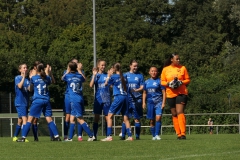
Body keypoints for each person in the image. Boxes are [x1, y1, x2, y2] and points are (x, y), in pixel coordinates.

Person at [17, 63, 61, 142]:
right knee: (49, 119)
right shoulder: (47, 78)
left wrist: (31, 78)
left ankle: (23, 137)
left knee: (30, 119)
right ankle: (57, 136)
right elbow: (52, 81)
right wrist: (49, 72)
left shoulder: (34, 78)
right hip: (46, 100)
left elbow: (30, 89)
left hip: (37, 100)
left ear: (36, 69)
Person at [62, 61, 95, 141]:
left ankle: (91, 135)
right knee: (72, 119)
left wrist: (67, 70)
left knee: (80, 119)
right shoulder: (79, 76)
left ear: (69, 68)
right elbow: (84, 79)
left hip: (73, 99)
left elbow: (62, 78)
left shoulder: (68, 76)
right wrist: (79, 70)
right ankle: (70, 138)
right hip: (79, 98)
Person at [161, 53, 190, 140]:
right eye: (177, 59)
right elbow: (162, 82)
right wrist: (168, 83)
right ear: (171, 59)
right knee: (174, 113)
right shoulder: (165, 69)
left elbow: (188, 79)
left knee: (179, 111)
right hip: (170, 93)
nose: (178, 60)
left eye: (179, 59)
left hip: (181, 93)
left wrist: (181, 82)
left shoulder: (182, 68)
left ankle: (183, 133)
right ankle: (178, 134)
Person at [101, 63, 133, 141]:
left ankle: (109, 136)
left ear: (114, 69)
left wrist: (108, 75)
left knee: (109, 116)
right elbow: (117, 85)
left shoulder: (113, 76)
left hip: (119, 97)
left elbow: (105, 84)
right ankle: (130, 136)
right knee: (125, 117)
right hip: (125, 97)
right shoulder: (124, 76)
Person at [29, 61, 54, 141]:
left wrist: (49, 73)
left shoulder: (41, 75)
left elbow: (52, 81)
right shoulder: (33, 75)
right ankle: (36, 137)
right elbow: (30, 88)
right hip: (37, 98)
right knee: (35, 119)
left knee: (49, 118)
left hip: (41, 98)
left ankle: (52, 136)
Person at [120, 60, 144, 140]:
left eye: (136, 66)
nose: (135, 67)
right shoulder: (125, 75)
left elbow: (142, 87)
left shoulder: (140, 75)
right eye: (134, 66)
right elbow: (121, 85)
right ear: (130, 66)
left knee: (137, 118)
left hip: (137, 99)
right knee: (126, 118)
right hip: (127, 99)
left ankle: (137, 136)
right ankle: (123, 136)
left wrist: (137, 90)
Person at [89, 60, 111, 140]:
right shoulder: (96, 75)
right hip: (98, 99)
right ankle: (94, 135)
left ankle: (108, 135)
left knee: (108, 117)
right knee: (96, 118)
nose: (103, 67)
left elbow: (111, 86)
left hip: (107, 99)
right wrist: (94, 75)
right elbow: (91, 85)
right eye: (102, 65)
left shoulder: (107, 75)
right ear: (98, 66)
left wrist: (109, 78)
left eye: (104, 65)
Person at [142, 67, 166, 140]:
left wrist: (163, 103)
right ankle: (153, 135)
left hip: (158, 102)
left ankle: (157, 135)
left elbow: (164, 92)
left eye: (155, 71)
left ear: (157, 72)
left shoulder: (160, 81)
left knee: (158, 118)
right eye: (152, 71)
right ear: (149, 72)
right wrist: (143, 102)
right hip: (150, 103)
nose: (153, 72)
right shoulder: (146, 82)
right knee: (152, 120)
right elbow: (144, 92)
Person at [63, 58, 83, 141]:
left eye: (76, 63)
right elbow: (63, 79)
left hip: (78, 96)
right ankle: (66, 135)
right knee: (67, 116)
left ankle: (79, 135)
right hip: (68, 96)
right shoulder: (66, 73)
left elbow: (83, 79)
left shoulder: (80, 73)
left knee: (79, 117)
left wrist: (80, 71)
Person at [13, 64, 31, 142]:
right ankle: (24, 137)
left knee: (20, 120)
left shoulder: (27, 80)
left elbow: (30, 89)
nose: (25, 69)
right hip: (20, 102)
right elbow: (20, 86)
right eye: (24, 68)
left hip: (25, 102)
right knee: (25, 119)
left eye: (26, 68)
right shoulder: (17, 78)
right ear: (20, 70)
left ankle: (15, 136)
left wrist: (31, 80)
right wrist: (23, 77)